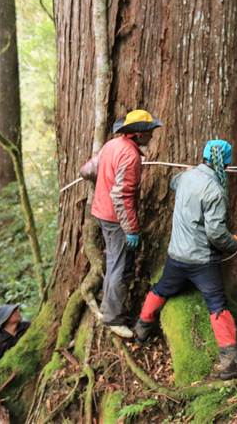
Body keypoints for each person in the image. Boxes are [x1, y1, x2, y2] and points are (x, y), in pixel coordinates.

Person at [133, 139, 237, 380]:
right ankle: (232, 360)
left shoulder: (187, 177)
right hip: (202, 260)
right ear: (224, 163)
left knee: (162, 289)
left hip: (176, 255)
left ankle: (141, 329)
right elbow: (215, 233)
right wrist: (233, 243)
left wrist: (187, 172)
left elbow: (174, 182)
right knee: (217, 303)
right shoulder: (214, 190)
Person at [80, 109, 163, 338]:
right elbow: (122, 196)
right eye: (149, 131)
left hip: (101, 213)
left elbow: (87, 170)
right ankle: (112, 318)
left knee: (114, 262)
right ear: (137, 134)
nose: (152, 136)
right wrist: (132, 229)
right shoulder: (130, 156)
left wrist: (102, 179)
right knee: (118, 266)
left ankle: (110, 309)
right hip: (116, 219)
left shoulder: (111, 145)